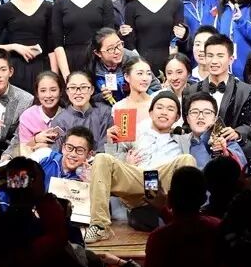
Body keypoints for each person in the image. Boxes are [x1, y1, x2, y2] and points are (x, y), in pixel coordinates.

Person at [84, 90, 197, 244]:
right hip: (137, 180)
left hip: (162, 183)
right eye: (159, 107)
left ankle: (188, 221)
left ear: (177, 117)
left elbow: (203, 135)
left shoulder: (183, 137)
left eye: (170, 109)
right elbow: (113, 162)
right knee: (101, 158)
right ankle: (99, 226)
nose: (164, 112)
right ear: (150, 113)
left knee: (187, 159)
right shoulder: (135, 132)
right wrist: (111, 144)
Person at [139, 166, 228, 267]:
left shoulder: (159, 238)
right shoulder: (218, 227)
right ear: (204, 198)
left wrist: (163, 209)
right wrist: (163, 211)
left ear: (170, 198)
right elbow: (189, 226)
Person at [182, 34, 251, 158]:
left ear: (231, 59)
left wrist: (237, 133)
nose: (214, 61)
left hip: (231, 148)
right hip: (199, 149)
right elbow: (186, 125)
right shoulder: (190, 91)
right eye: (210, 56)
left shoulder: (245, 90)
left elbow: (250, 125)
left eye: (220, 56)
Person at [122, 0, 187, 76]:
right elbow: (129, 41)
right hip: (141, 68)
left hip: (169, 68)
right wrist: (140, 67)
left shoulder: (176, 4)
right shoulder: (132, 7)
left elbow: (176, 40)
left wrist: (171, 69)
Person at [87, 27, 161, 105]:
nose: (117, 51)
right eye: (110, 49)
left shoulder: (133, 59)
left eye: (119, 45)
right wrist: (102, 96)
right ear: (98, 53)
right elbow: (88, 97)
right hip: (105, 109)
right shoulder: (92, 66)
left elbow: (155, 88)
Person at [5, 71, 64, 157]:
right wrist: (35, 139)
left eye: (53, 90)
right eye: (43, 91)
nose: (48, 95)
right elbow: (24, 148)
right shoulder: (28, 116)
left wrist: (50, 147)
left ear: (61, 91)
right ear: (37, 93)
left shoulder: (67, 116)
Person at [50, 70, 112, 152]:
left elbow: (107, 144)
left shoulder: (105, 113)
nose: (78, 92)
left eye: (83, 87)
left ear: (92, 90)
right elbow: (57, 152)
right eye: (73, 88)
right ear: (67, 91)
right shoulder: (59, 121)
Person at [185, 91, 246, 170]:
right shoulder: (179, 141)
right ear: (187, 119)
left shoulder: (227, 142)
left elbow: (242, 169)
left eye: (207, 112)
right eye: (194, 112)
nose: (200, 116)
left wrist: (225, 154)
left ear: (215, 119)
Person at [110, 56, 156, 132]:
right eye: (140, 73)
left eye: (148, 73)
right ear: (127, 77)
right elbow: (121, 137)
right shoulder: (119, 107)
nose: (145, 78)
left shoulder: (157, 104)